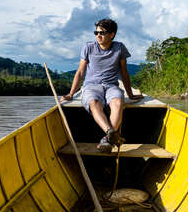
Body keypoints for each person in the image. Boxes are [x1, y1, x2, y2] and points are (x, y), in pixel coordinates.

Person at [60, 18, 144, 152]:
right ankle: (111, 133)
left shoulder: (119, 48)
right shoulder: (89, 47)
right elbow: (81, 72)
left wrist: (130, 94)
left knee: (117, 102)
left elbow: (124, 72)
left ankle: (107, 139)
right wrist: (71, 94)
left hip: (111, 86)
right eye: (96, 32)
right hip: (91, 86)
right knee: (94, 102)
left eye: (102, 32)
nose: (98, 35)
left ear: (112, 34)